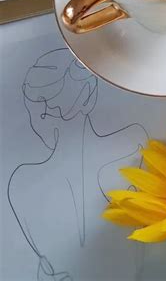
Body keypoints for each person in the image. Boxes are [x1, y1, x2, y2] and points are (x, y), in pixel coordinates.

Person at [8, 49, 148, 280]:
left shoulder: (21, 184)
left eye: (40, 105)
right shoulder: (132, 142)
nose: (40, 115)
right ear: (88, 97)